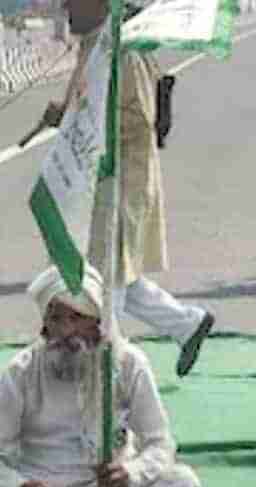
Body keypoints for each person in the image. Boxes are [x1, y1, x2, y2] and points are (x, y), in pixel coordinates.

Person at [29, 0, 215, 378]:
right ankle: (185, 324)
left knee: (101, 285)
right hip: (94, 182)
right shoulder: (94, 44)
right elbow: (87, 101)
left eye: (71, 1)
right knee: (111, 275)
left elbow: (134, 122)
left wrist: (79, 120)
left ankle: (108, 380)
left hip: (118, 183)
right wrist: (64, 111)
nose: (65, 8)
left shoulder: (123, 51)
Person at [0, 267, 201, 487]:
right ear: (44, 324)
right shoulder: (20, 371)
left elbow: (161, 444)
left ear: (98, 321)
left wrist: (131, 473)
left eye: (77, 317)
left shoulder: (128, 363)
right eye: (56, 318)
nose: (65, 330)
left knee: (183, 485)